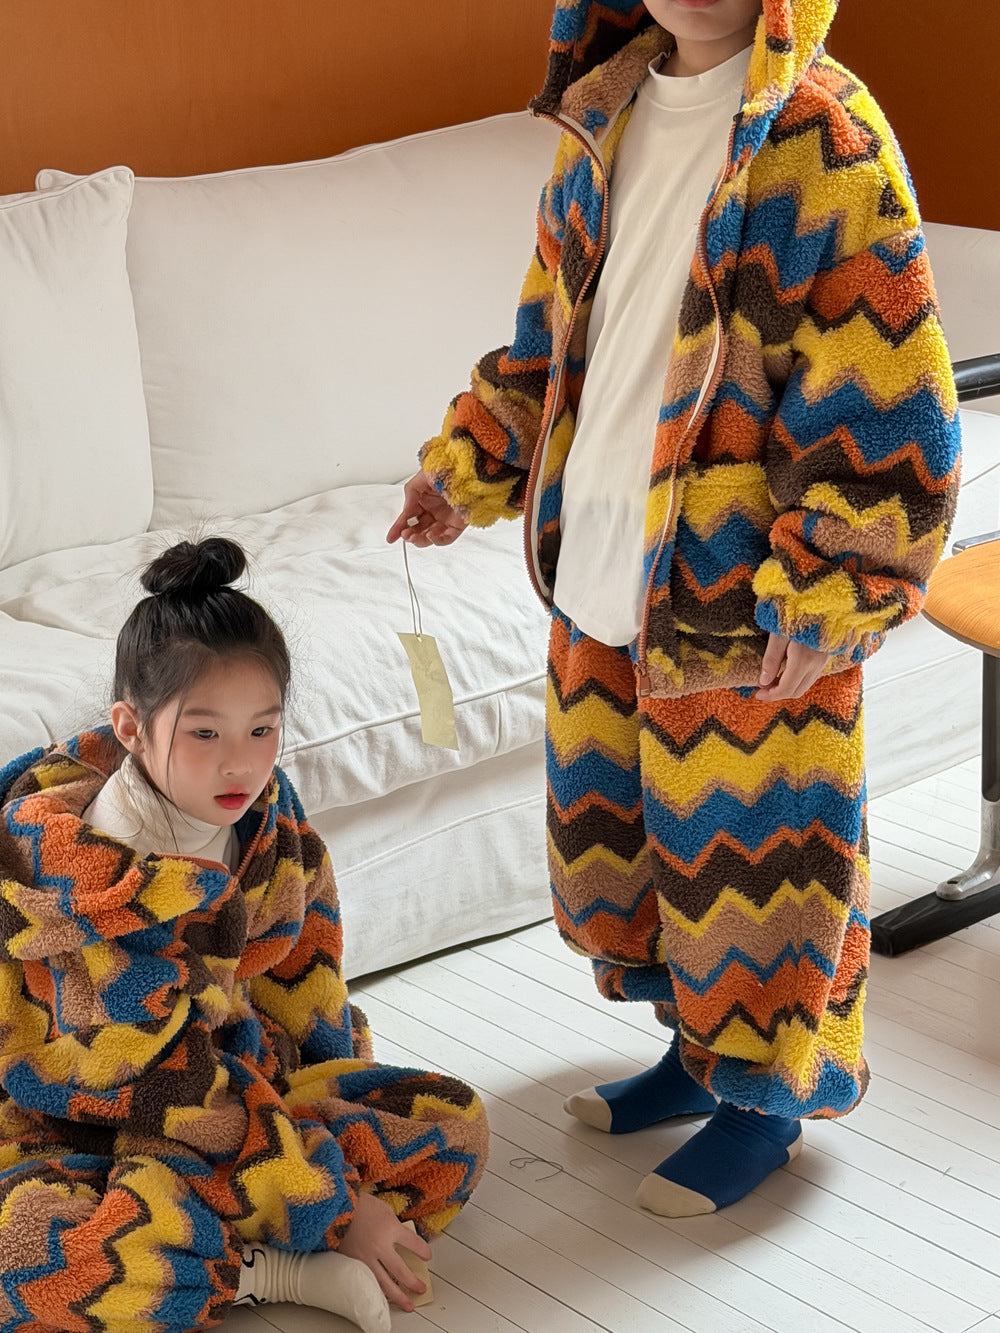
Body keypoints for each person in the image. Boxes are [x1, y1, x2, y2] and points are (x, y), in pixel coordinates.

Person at [388, 0, 960, 1217]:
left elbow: (881, 387)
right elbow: (548, 336)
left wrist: (832, 583)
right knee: (631, 846)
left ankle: (765, 1105)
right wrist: (469, 463)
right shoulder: (601, 118)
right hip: (600, 564)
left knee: (768, 850)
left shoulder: (826, 137)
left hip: (738, 598)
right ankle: (692, 1058)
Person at [0, 537, 488, 1333]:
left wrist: (333, 1108)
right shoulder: (91, 881)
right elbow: (166, 1086)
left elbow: (308, 976)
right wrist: (338, 1209)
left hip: (240, 1101)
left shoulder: (267, 818)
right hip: (85, 1118)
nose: (240, 764)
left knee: (453, 1121)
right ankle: (268, 1268)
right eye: (205, 734)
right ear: (130, 727)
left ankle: (227, 1236)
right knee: (36, 1257)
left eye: (262, 730)